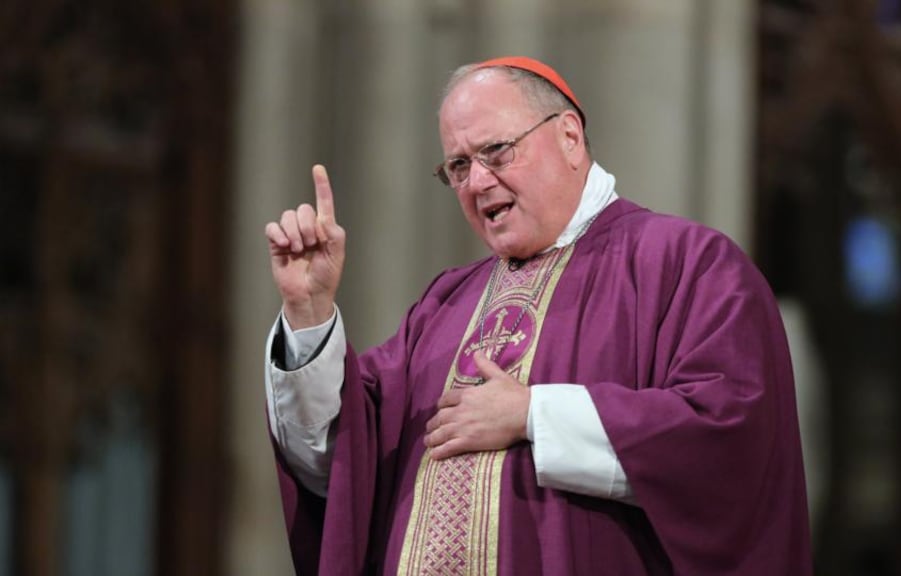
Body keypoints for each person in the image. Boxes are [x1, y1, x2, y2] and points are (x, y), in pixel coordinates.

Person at [263, 56, 812, 575]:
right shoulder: (444, 304)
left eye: (497, 151)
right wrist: (309, 313)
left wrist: (533, 414)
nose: (477, 183)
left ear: (569, 137)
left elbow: (731, 440)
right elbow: (343, 460)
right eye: (458, 166)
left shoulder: (685, 264)